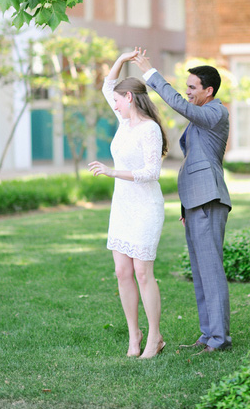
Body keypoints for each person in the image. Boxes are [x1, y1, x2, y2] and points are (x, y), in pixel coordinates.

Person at [133, 48, 232, 354]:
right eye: (186, 87)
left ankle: (220, 339)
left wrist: (150, 73)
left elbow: (176, 104)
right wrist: (185, 206)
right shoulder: (202, 118)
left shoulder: (216, 112)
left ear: (209, 91)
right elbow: (195, 163)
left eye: (192, 88)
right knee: (201, 271)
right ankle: (208, 334)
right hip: (195, 203)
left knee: (211, 270)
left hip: (209, 200)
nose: (187, 93)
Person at [88, 51, 168, 359]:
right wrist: (122, 59)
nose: (115, 104)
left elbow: (152, 173)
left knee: (142, 271)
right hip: (122, 207)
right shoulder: (124, 121)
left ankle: (155, 337)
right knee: (123, 271)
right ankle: (134, 335)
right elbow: (108, 87)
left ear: (131, 98)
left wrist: (113, 172)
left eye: (120, 100)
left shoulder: (149, 129)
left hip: (146, 206)